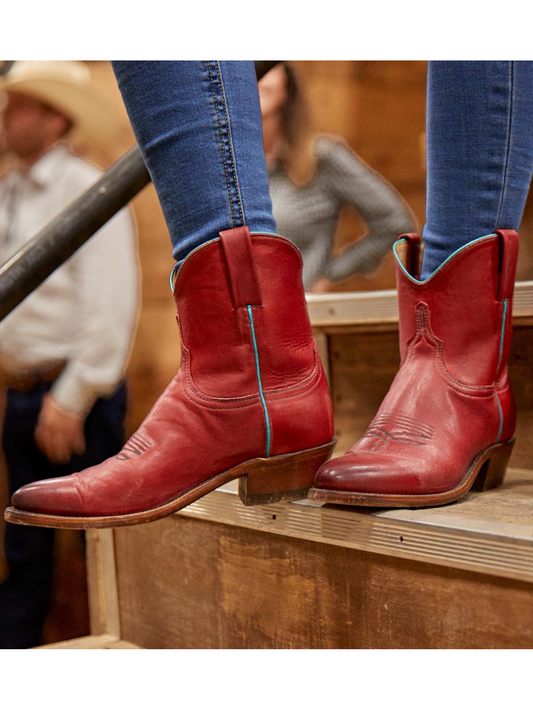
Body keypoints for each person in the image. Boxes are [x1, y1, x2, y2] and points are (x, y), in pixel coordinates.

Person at [5, 61, 530, 527]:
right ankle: (251, 388)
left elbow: (388, 217)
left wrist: (334, 269)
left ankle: (462, 379)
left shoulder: (321, 155)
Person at [0, 61, 139, 647]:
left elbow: (110, 300)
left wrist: (74, 395)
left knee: (98, 547)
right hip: (24, 391)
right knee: (25, 549)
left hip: (71, 397)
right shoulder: (9, 189)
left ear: (54, 117)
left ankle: (114, 651)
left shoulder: (85, 187)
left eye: (18, 106)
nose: (5, 117)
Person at [259, 62, 415, 291]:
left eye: (266, 65)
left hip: (303, 314)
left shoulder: (320, 158)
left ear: (287, 81)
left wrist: (331, 273)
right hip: (242, 319)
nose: (258, 75)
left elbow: (395, 222)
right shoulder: (234, 167)